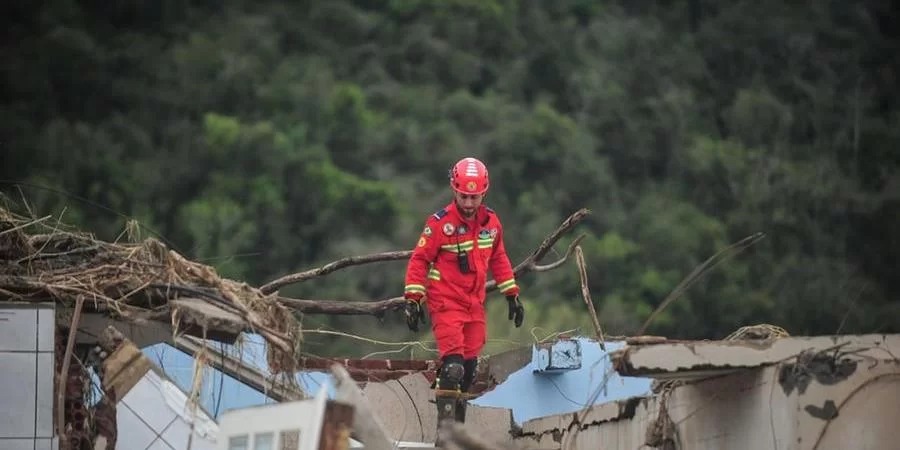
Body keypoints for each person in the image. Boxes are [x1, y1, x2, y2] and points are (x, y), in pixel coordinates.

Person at [402, 156, 524, 425]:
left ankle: (457, 429)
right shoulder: (439, 224)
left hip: (474, 305)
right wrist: (413, 299)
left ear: (484, 193)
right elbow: (419, 260)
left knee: (468, 371)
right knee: (453, 366)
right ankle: (445, 435)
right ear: (453, 190)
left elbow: (499, 257)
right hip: (445, 302)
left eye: (475, 197)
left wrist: (511, 294)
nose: (469, 204)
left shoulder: (491, 223)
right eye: (463, 196)